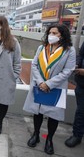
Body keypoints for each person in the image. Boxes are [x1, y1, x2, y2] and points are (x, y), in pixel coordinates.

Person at [23, 24, 76, 155]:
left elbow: (67, 71)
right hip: (40, 86)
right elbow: (34, 64)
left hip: (55, 88)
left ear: (62, 35)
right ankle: (35, 134)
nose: (51, 35)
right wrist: (41, 82)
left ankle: (49, 140)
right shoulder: (42, 48)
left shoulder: (69, 50)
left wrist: (49, 84)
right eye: (49, 32)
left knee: (53, 116)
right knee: (38, 112)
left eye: (54, 33)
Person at [65, 42, 84, 147]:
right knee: (81, 112)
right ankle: (77, 135)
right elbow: (81, 55)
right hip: (82, 84)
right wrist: (77, 64)